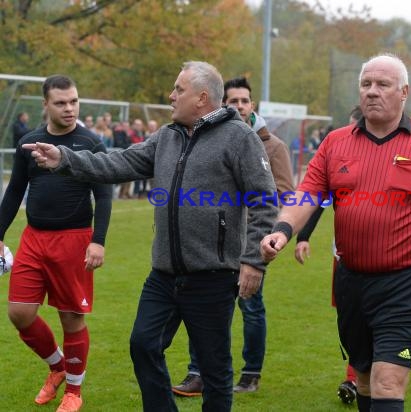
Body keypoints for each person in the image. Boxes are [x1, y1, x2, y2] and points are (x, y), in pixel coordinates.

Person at [23, 61, 279, 412]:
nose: (171, 96)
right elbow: (117, 163)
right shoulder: (168, 136)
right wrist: (64, 158)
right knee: (143, 345)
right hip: (163, 274)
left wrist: (253, 260)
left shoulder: (240, 138)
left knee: (214, 370)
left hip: (213, 276)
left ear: (202, 98)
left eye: (178, 89)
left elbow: (264, 200)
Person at [260, 53, 411, 412]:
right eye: (366, 84)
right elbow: (309, 193)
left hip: (409, 281)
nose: (372, 92)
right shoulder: (335, 142)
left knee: (387, 380)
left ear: (404, 92)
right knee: (363, 377)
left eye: (383, 84)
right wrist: (282, 231)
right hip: (351, 280)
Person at [172, 76, 294, 397]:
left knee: (251, 308)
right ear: (223, 105)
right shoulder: (209, 138)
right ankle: (198, 372)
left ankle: (250, 374)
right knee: (205, 307)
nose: (239, 106)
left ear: (252, 105)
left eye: (244, 101)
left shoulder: (273, 146)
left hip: (253, 241)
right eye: (232, 101)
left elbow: (284, 195)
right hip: (213, 243)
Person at [0, 75, 112, 412]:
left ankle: (74, 392)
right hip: (34, 238)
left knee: (71, 319)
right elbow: (15, 191)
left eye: (74, 101)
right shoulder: (30, 143)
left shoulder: (91, 144)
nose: (69, 108)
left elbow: (104, 196)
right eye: (61, 103)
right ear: (46, 105)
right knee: (19, 314)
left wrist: (98, 241)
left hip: (74, 241)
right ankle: (57, 367)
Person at [294, 104, 362, 404]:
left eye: (351, 127)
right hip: (343, 256)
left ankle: (357, 378)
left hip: (387, 261)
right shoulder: (340, 159)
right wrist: (303, 237)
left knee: (372, 319)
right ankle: (357, 376)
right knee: (350, 318)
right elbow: (319, 199)